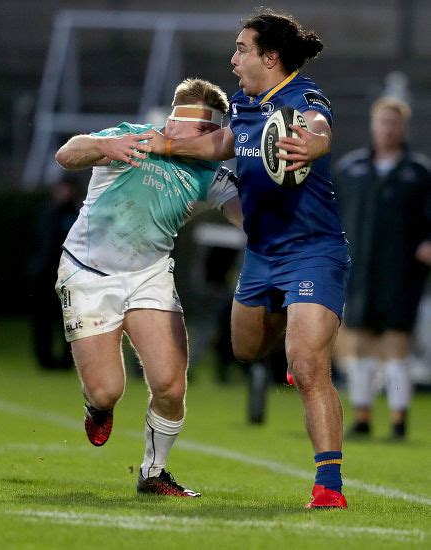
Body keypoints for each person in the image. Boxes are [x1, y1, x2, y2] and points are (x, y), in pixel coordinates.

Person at [146, 8, 350, 508]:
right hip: (261, 252)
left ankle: (329, 487)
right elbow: (224, 142)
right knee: (244, 349)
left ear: (271, 56)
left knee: (308, 368)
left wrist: (315, 145)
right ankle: (297, 346)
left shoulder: (301, 96)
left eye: (241, 48)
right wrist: (168, 144)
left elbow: (319, 127)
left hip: (312, 252)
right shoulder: (245, 101)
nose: (233, 58)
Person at [54, 78, 242, 497]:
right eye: (181, 123)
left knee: (171, 384)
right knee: (107, 390)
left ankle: (153, 473)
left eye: (204, 133)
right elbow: (67, 153)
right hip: (88, 272)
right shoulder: (131, 137)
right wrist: (105, 148)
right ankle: (96, 406)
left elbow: (245, 214)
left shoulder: (208, 174)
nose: (178, 130)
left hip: (148, 274)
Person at [334, 96, 431, 440]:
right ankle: (361, 417)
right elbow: (334, 216)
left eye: (394, 123)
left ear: (402, 127)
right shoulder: (351, 169)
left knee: (396, 344)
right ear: (373, 125)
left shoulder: (419, 173)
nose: (387, 129)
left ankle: (398, 420)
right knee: (357, 343)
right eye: (382, 122)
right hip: (359, 271)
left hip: (401, 274)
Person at [29, 175, 80, 369]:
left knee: (68, 319)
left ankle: (68, 360)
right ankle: (45, 359)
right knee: (42, 319)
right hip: (44, 275)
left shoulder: (77, 214)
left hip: (68, 276)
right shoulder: (46, 213)